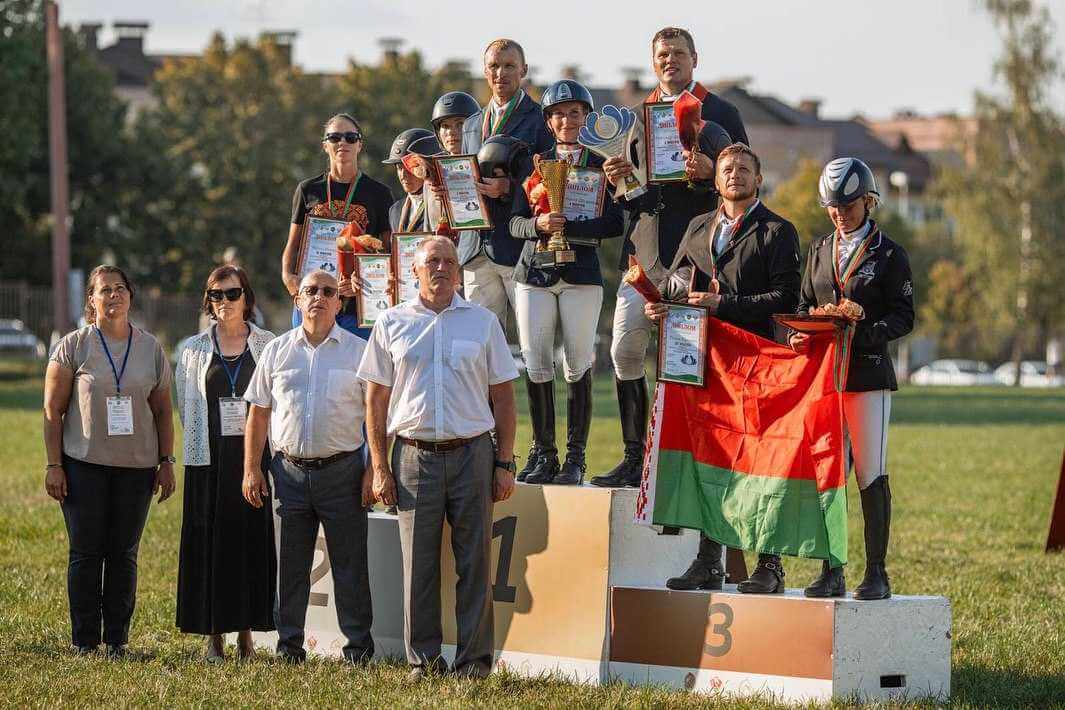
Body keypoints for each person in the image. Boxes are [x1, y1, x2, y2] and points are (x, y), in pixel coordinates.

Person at [358, 236, 518, 681]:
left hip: (473, 454)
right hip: (412, 456)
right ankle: (423, 662)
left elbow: (504, 399)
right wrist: (379, 465)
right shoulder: (390, 323)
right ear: (414, 270)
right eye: (432, 261)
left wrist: (504, 463)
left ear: (458, 269)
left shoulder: (483, 323)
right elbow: (375, 403)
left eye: (449, 261)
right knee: (418, 567)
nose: (442, 268)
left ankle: (474, 662)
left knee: (475, 564)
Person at [592, 26, 746, 489]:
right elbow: (628, 196)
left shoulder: (721, 111)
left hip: (694, 256)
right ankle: (634, 455)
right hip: (642, 251)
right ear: (652, 60)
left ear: (695, 58)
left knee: (682, 362)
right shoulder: (636, 116)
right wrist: (616, 178)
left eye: (678, 53)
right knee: (624, 348)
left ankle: (683, 461)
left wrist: (711, 173)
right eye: (662, 54)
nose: (669, 61)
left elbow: (745, 177)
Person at [644, 143, 801, 593]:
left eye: (744, 169)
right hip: (703, 362)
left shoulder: (777, 231)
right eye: (728, 169)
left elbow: (786, 300)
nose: (734, 175)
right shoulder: (697, 227)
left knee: (758, 463)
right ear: (715, 180)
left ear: (758, 178)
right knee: (709, 462)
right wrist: (662, 306)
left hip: (754, 363)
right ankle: (709, 560)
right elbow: (677, 280)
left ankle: (769, 567)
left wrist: (723, 303)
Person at [791, 157, 914, 601]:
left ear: (867, 199)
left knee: (869, 473)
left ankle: (876, 572)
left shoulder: (889, 253)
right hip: (826, 377)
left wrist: (864, 331)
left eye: (847, 204)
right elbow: (805, 305)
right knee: (829, 475)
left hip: (868, 376)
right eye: (832, 206)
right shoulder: (820, 250)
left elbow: (904, 317)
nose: (839, 213)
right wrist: (805, 330)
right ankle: (831, 570)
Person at [241, 270, 375, 663]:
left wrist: (373, 469)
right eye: (310, 291)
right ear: (297, 300)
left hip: (345, 473)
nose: (319, 297)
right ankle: (289, 648)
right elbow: (258, 415)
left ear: (340, 302)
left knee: (351, 569)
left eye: (328, 292)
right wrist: (251, 468)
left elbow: (375, 418)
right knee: (291, 567)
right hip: (288, 474)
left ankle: (358, 651)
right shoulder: (276, 351)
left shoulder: (358, 352)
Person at [43, 265, 176, 657]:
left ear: (130, 296)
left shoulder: (151, 348)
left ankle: (117, 640)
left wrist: (167, 460)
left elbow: (163, 411)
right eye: (105, 290)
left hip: (137, 469)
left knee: (123, 555)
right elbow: (53, 411)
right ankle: (84, 641)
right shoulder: (73, 345)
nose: (114, 296)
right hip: (83, 465)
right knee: (85, 553)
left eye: (120, 289)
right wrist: (54, 465)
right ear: (92, 300)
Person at [508, 79, 624, 485]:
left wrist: (573, 226)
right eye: (559, 113)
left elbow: (614, 222)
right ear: (549, 120)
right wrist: (539, 223)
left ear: (586, 118)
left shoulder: (600, 163)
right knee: (536, 361)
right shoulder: (531, 162)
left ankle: (575, 458)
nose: (567, 120)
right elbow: (514, 221)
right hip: (534, 272)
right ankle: (543, 453)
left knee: (577, 361)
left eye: (575, 113)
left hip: (581, 274)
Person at [175, 265, 276, 661]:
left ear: (247, 298)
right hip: (209, 461)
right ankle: (214, 635)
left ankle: (247, 635)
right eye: (216, 295)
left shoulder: (268, 345)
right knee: (211, 546)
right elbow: (187, 406)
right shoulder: (193, 349)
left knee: (251, 542)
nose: (225, 302)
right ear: (208, 302)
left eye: (232, 294)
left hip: (255, 458)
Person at [457, 38, 555, 327]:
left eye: (509, 66)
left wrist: (510, 189)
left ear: (523, 69)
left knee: (532, 341)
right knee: (478, 343)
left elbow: (549, 181)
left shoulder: (541, 120)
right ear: (484, 71)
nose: (501, 73)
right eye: (494, 66)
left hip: (519, 245)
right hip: (476, 248)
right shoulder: (472, 123)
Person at [281, 112, 394, 338]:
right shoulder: (308, 190)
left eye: (350, 137)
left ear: (360, 145)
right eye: (334, 137)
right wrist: (288, 277)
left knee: (355, 373)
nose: (342, 142)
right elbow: (293, 244)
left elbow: (387, 253)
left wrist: (364, 282)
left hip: (358, 309)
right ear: (325, 145)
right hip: (313, 301)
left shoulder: (379, 193)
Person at [383, 128, 444, 233]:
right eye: (399, 167)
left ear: (428, 166)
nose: (403, 174)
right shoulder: (395, 210)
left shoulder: (444, 203)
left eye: (410, 167)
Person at [431, 91, 480, 156]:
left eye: (460, 124)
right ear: (438, 134)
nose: (451, 132)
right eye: (445, 126)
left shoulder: (487, 163)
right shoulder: (431, 165)